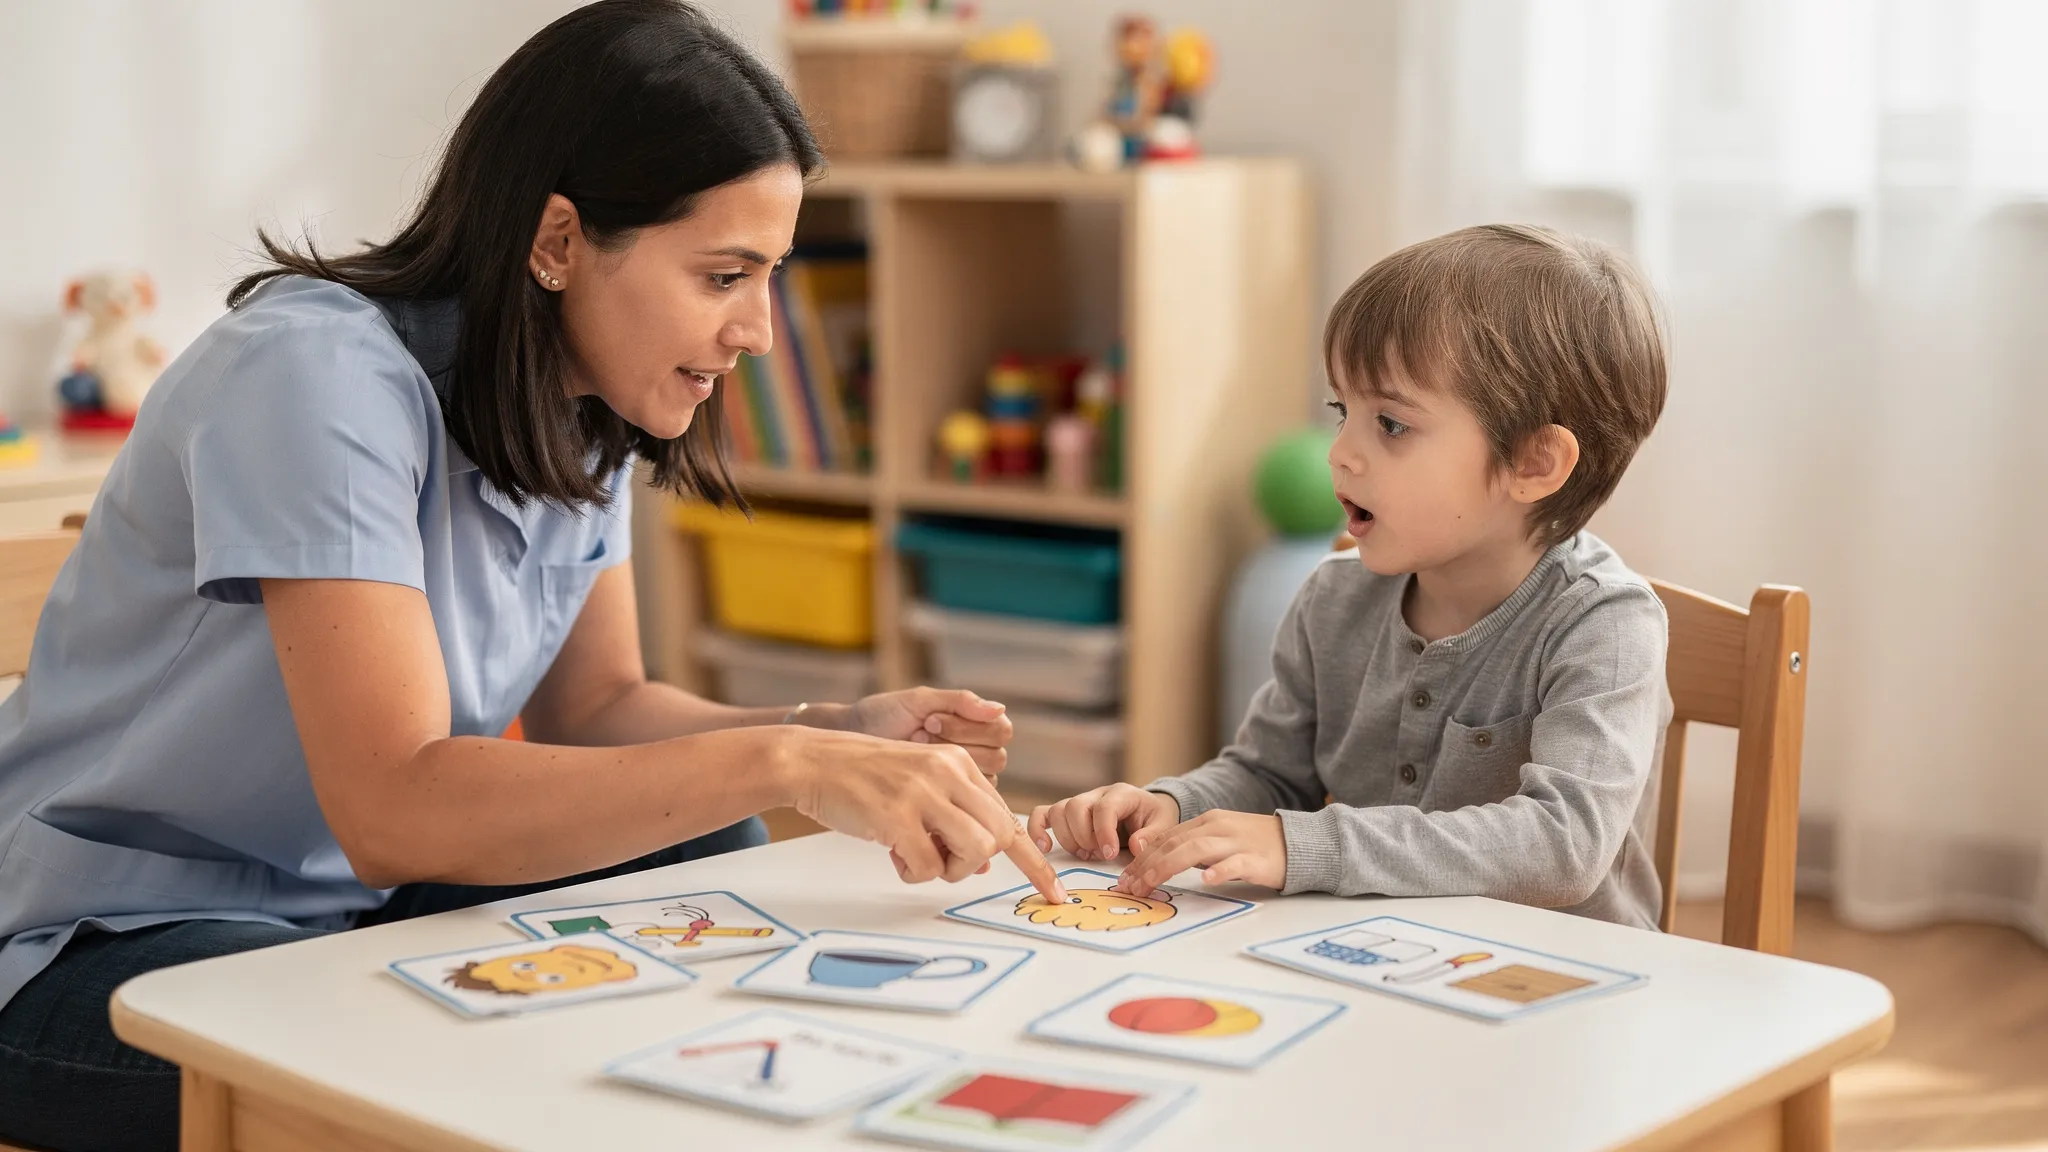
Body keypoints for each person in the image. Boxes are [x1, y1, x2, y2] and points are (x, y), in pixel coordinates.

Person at [0, 4, 1057, 1149]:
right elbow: (395, 807)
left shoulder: (578, 404)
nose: (756, 329)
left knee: (695, 846)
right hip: (94, 947)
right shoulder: (313, 378)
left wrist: (829, 724)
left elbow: (599, 710)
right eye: (722, 276)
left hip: (343, 917)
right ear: (556, 242)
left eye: (768, 277)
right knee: (392, 1049)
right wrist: (785, 761)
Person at [1030, 224, 1673, 929]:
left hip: (1562, 982)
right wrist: (1173, 807)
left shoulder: (1605, 625)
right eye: (1344, 411)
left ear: (1533, 464)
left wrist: (1310, 845)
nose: (1341, 453)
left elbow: (1563, 846)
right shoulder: (1334, 596)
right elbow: (1273, 773)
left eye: (1391, 424)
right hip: (1385, 954)